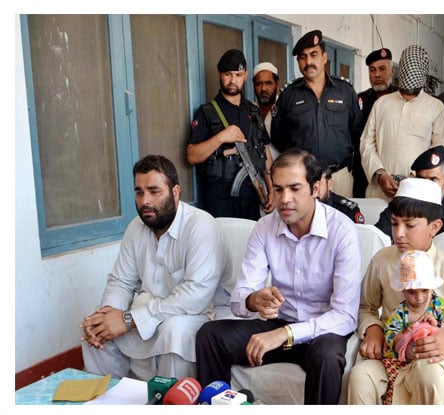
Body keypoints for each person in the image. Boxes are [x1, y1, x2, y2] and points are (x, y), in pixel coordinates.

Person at [195, 148, 362, 405]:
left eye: (294, 188)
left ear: (315, 188)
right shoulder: (264, 228)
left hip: (322, 331)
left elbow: (345, 317)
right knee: (211, 335)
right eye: (278, 189)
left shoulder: (342, 232)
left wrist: (286, 333)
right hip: (279, 323)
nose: (284, 199)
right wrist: (253, 300)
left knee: (328, 356)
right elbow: (240, 298)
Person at [80, 155, 230, 381]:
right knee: (96, 328)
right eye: (139, 192)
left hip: (203, 314)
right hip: (153, 310)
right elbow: (122, 281)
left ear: (176, 192)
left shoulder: (201, 226)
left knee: (174, 330)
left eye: (154, 191)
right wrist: (108, 313)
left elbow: (195, 297)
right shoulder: (136, 227)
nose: (145, 201)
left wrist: (129, 320)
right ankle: (114, 399)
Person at [347, 177, 444, 405]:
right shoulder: (382, 261)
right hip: (389, 354)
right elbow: (365, 305)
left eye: (409, 225)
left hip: (432, 358)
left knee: (429, 372)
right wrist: (374, 329)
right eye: (395, 223)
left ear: (434, 227)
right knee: (360, 377)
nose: (399, 233)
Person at [271, 30, 363, 198]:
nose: (308, 62)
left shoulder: (345, 92)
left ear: (324, 57)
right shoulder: (289, 95)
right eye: (302, 57)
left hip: (339, 178)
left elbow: (357, 133)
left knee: (342, 222)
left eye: (314, 55)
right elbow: (278, 137)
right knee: (305, 224)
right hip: (302, 179)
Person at [187, 49, 274, 220]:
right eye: (227, 74)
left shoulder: (253, 112)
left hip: (251, 198)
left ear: (245, 75)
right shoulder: (207, 112)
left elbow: (264, 153)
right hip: (219, 202)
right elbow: (192, 156)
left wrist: (272, 190)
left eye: (238, 74)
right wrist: (221, 137)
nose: (233, 80)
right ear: (219, 74)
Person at [360, 44, 444, 201]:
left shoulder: (436, 107)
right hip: (380, 191)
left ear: (423, 75)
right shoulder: (381, 104)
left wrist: (412, 180)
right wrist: (380, 174)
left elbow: (438, 153)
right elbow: (366, 143)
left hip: (418, 191)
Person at [381, 250, 444, 404]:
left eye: (425, 290)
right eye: (412, 292)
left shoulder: (438, 305)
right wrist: (403, 341)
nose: (419, 298)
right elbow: (390, 332)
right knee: (398, 387)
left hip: (433, 357)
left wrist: (438, 325)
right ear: (403, 290)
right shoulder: (400, 312)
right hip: (406, 362)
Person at [375, 145, 444, 240]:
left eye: (433, 179)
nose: (427, 184)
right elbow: (380, 239)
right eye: (422, 178)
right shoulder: (400, 206)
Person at [353, 48, 397, 197]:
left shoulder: (400, 100)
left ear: (392, 71)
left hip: (392, 173)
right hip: (363, 173)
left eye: (382, 69)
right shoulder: (360, 100)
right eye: (372, 70)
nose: (377, 74)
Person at [252, 61, 281, 160]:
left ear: (277, 84)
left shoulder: (285, 108)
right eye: (259, 84)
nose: (263, 88)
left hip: (282, 171)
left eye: (268, 83)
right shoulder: (249, 110)